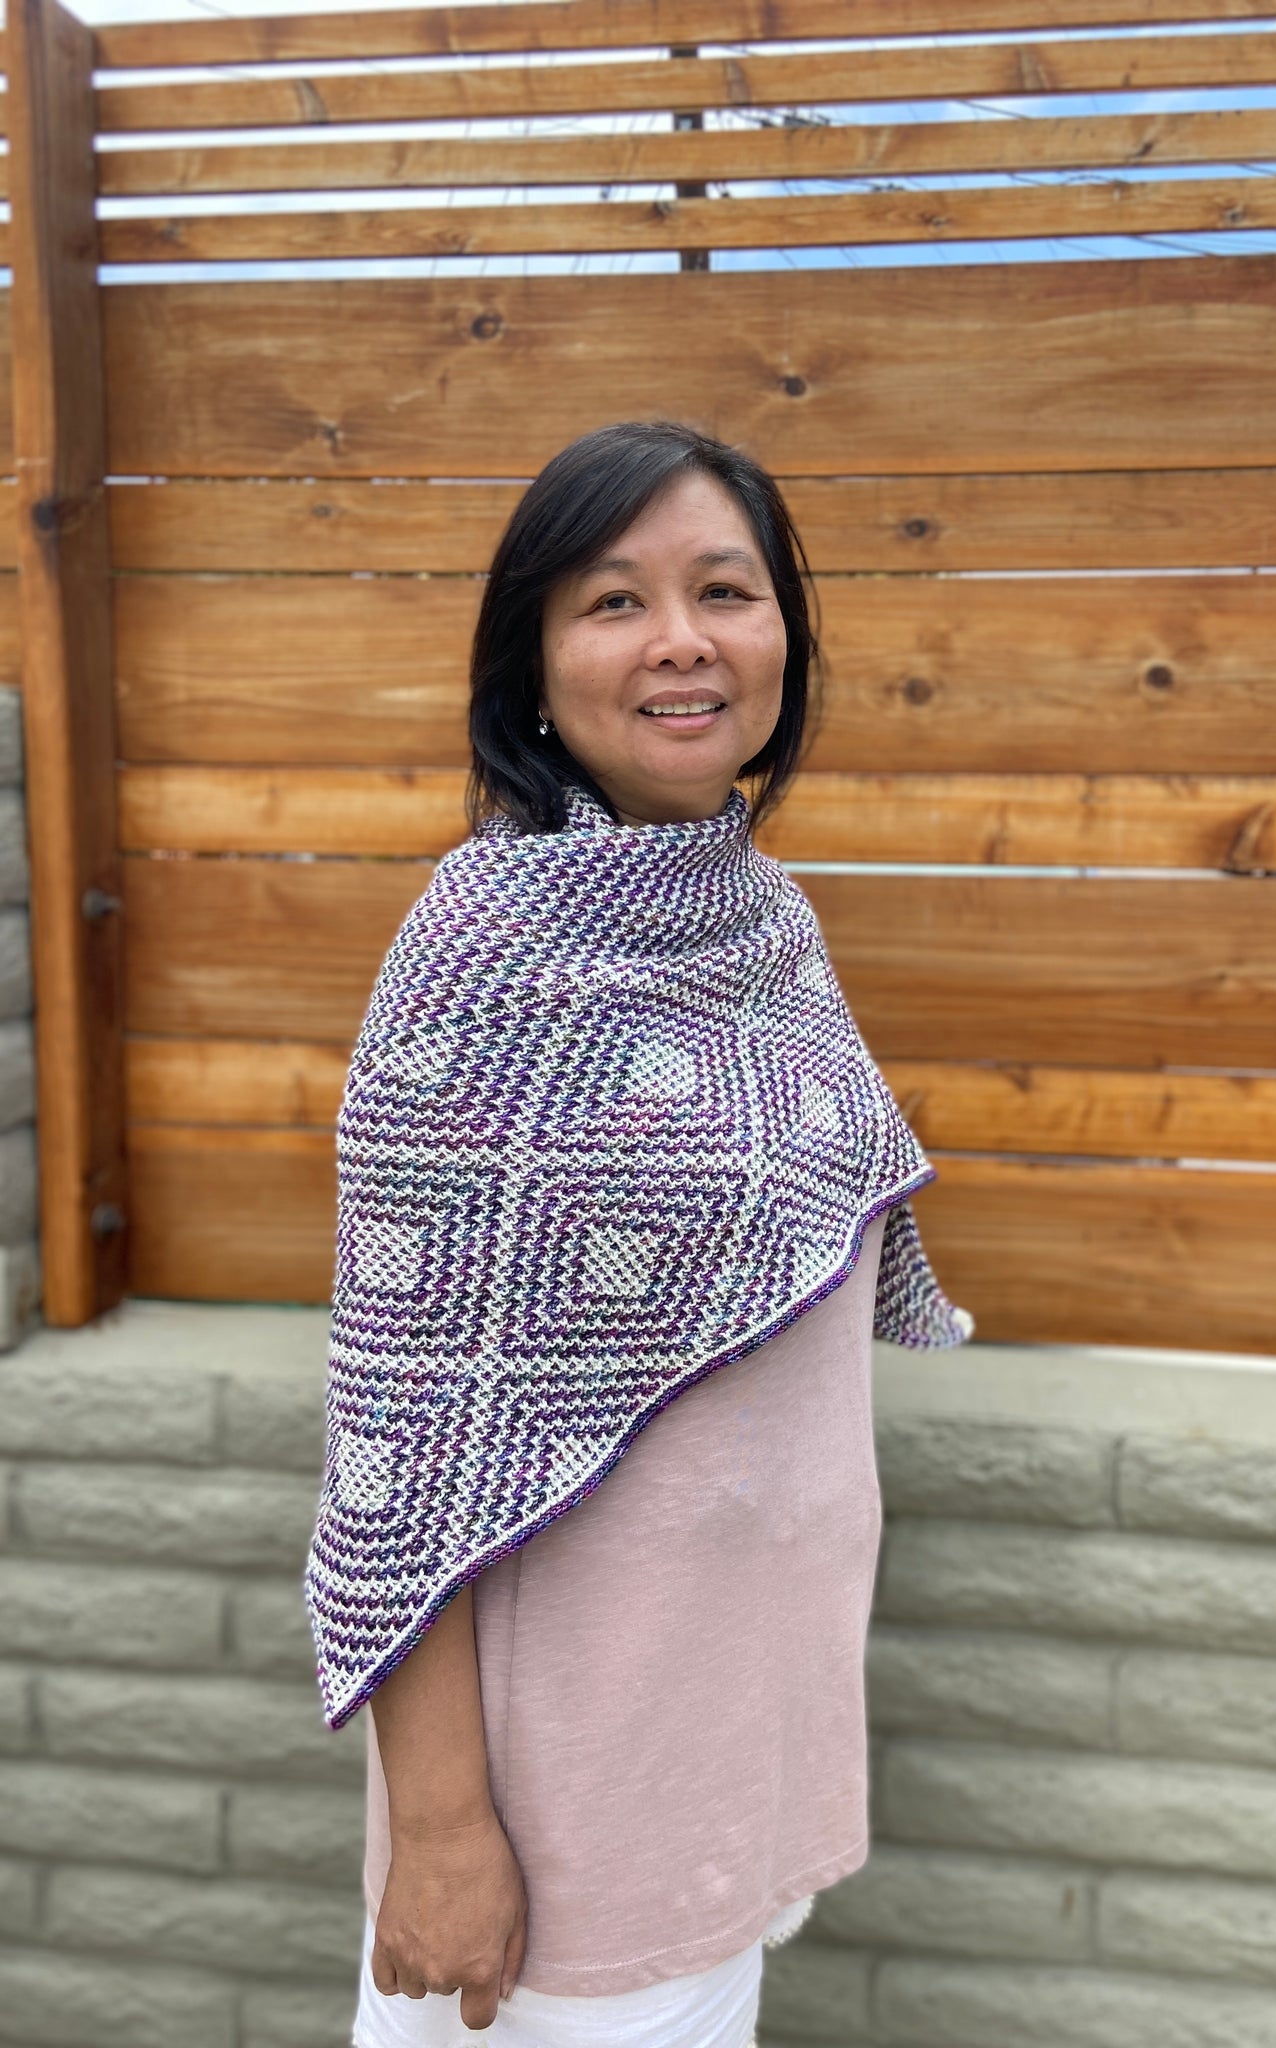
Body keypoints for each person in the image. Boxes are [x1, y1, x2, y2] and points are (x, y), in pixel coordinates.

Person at [304, 421, 972, 2048]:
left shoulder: (760, 919)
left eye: (724, 591)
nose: (682, 639)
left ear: (783, 638)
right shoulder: (487, 961)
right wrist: (445, 1833)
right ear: (533, 665)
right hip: (574, 1797)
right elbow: (405, 1448)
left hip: (737, 1733)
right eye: (614, 601)